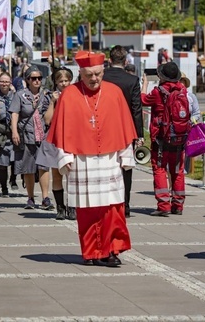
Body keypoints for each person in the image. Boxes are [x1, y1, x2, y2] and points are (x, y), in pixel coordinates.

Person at [47, 51, 136, 267]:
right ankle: (91, 252)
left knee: (112, 209)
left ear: (103, 70)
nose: (94, 79)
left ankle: (111, 250)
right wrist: (65, 156)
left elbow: (123, 126)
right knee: (87, 211)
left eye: (97, 74)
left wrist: (126, 156)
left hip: (109, 160)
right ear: (81, 73)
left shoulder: (114, 93)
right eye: (89, 75)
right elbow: (62, 130)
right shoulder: (69, 95)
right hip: (82, 162)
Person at [141, 61, 188, 217]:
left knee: (160, 169)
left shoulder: (158, 92)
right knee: (177, 171)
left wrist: (144, 84)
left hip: (161, 138)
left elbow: (142, 100)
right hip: (179, 137)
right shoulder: (182, 90)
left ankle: (163, 205)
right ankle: (178, 205)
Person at [101, 45, 144, 218]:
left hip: (104, 127)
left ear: (109, 61)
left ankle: (106, 201)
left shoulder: (102, 78)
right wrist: (139, 134)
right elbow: (137, 109)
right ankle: (125, 204)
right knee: (126, 166)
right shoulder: (132, 80)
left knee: (105, 165)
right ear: (125, 61)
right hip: (126, 129)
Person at [10, 66, 53, 210]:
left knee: (44, 167)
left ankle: (45, 197)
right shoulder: (20, 95)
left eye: (39, 78)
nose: (37, 81)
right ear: (27, 80)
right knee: (28, 168)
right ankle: (30, 197)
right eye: (33, 78)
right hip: (26, 135)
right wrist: (14, 131)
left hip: (43, 136)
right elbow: (15, 113)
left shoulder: (46, 95)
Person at [39, 68, 74, 219]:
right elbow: (47, 120)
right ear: (56, 82)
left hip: (71, 137)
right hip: (55, 138)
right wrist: (53, 101)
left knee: (71, 175)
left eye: (66, 81)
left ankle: (72, 207)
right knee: (57, 174)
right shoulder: (49, 97)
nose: (64, 84)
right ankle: (60, 207)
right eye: (60, 81)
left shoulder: (76, 95)